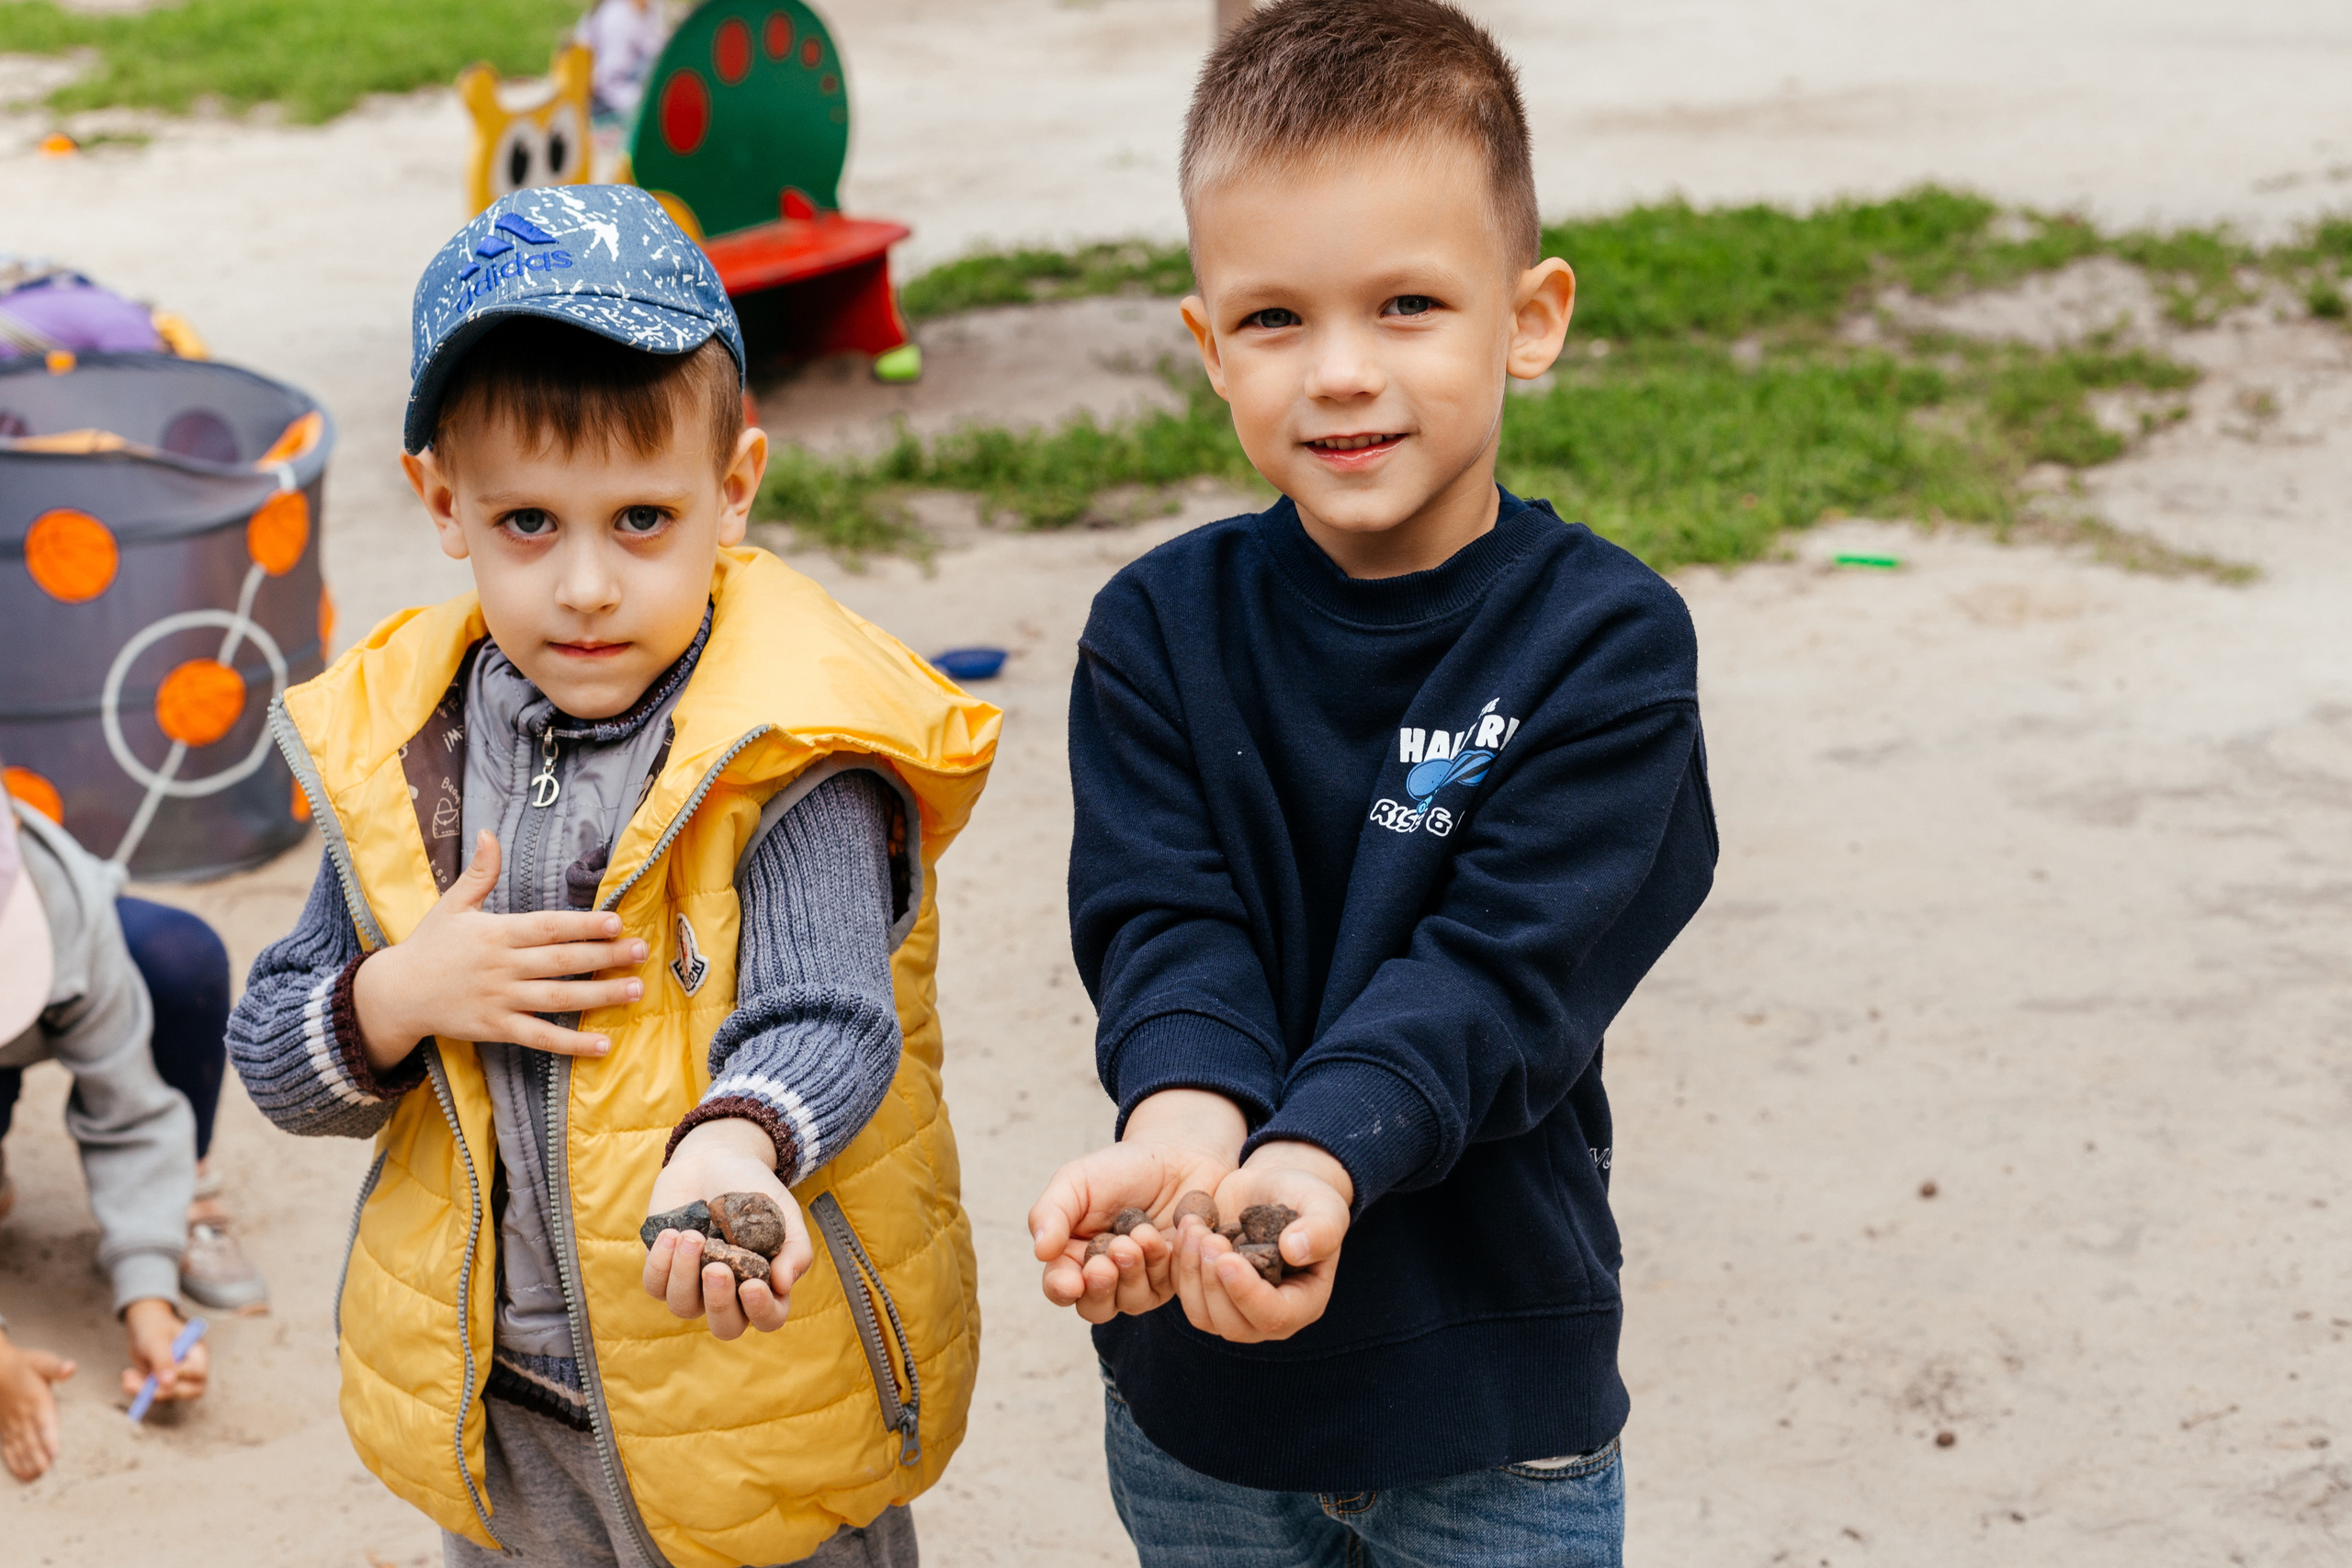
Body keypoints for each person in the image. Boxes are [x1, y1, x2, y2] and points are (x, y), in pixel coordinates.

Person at [1024, 3, 1719, 1562]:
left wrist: (1316, 1155)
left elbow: (1501, 977)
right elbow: (1165, 926)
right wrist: (1190, 1130)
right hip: (1202, 1419)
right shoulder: (1156, 631)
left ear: (1527, 317)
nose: (1341, 373)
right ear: (1207, 345)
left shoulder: (1603, 645)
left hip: (1490, 1412)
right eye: (1275, 318)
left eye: (1408, 303)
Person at [224, 185, 998, 1568]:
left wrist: (737, 1138)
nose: (585, 584)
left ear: (735, 487)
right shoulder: (411, 752)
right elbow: (276, 1050)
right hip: (515, 1407)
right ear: (442, 501)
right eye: (529, 521)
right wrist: (397, 995)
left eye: (642, 518)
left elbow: (829, 1014)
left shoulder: (783, 748)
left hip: (749, 1382)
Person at [0, 784, 210, 1482]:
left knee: (179, 960)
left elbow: (130, 1112)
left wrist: (149, 1295)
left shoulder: (52, 895)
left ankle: (188, 1203)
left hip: (50, 972)